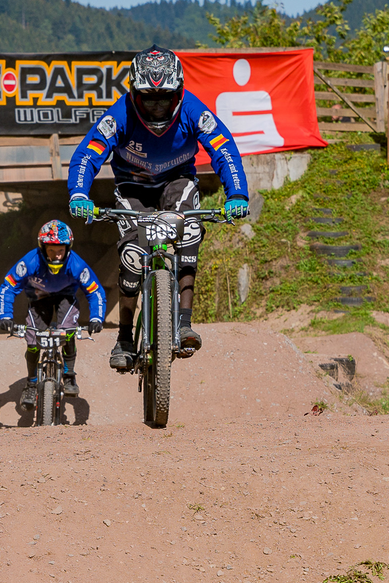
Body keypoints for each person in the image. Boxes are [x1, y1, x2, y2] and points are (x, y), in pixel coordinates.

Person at [66, 45, 250, 371]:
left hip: (177, 182)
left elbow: (224, 149)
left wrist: (237, 194)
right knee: (132, 257)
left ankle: (184, 323)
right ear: (133, 94)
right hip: (132, 188)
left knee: (190, 231)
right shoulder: (119, 114)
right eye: (148, 99)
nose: (156, 107)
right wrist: (79, 194)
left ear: (178, 92)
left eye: (164, 98)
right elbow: (88, 154)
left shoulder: (193, 110)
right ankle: (124, 338)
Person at [0, 220, 106, 408]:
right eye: (51, 250)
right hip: (39, 297)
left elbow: (95, 291)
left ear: (68, 248)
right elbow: (8, 287)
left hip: (66, 296)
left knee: (68, 331)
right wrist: (5, 317)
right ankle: (31, 383)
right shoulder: (30, 261)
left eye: (60, 250)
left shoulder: (76, 264)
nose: (56, 255)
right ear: (42, 248)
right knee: (32, 340)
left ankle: (69, 375)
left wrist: (96, 318)